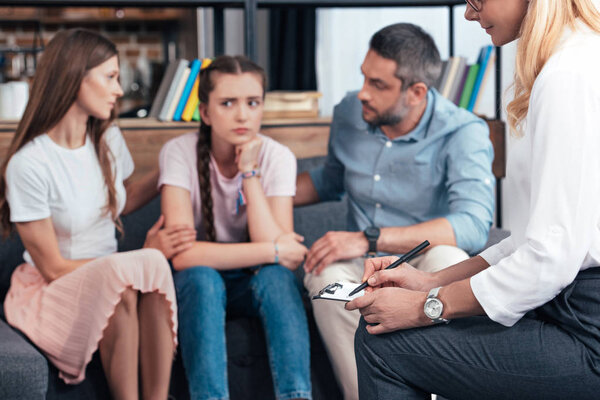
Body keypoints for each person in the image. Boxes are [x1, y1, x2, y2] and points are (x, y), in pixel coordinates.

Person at [348, 1, 600, 398]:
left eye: (476, 0)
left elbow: (549, 258)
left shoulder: (566, 75)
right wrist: (430, 281)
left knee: (382, 344)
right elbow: (535, 240)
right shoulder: (579, 57)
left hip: (585, 331)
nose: (468, 13)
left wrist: (425, 306)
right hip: (570, 305)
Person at [294, 22, 495, 399]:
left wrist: (369, 237)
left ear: (416, 92)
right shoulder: (349, 113)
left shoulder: (463, 132)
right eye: (364, 78)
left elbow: (472, 224)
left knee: (450, 257)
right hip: (364, 263)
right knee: (322, 275)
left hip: (421, 256)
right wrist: (255, 188)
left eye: (379, 85)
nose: (362, 94)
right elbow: (333, 179)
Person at [0, 29, 196, 400]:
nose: (119, 90)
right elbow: (53, 268)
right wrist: (129, 263)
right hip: (52, 288)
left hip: (110, 275)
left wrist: (174, 161)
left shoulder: (106, 140)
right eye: (110, 77)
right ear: (75, 77)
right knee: (126, 279)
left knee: (144, 271)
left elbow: (119, 200)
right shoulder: (30, 164)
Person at [158, 55, 312, 400]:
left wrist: (250, 174)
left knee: (277, 278)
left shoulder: (278, 157)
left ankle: (297, 396)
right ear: (206, 112)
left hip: (254, 280)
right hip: (200, 282)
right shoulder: (178, 153)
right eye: (228, 103)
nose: (242, 115)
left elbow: (281, 261)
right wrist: (273, 249)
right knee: (201, 277)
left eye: (252, 103)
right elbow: (183, 257)